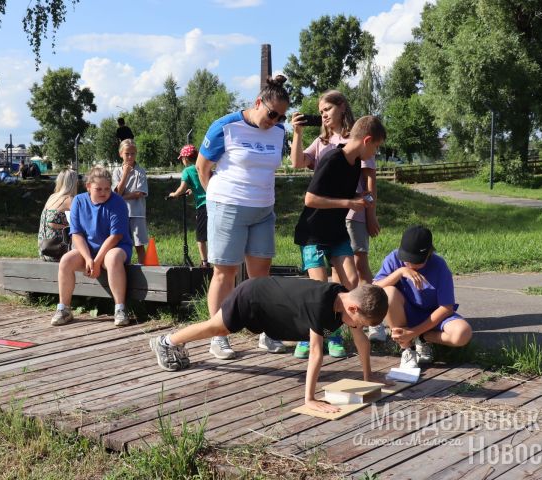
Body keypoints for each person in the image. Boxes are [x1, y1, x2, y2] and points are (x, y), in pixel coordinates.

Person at [149, 277, 390, 413]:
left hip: (269, 306)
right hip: (252, 296)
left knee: (220, 328)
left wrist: (368, 378)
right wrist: (310, 399)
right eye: (361, 322)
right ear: (353, 309)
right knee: (218, 328)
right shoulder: (322, 305)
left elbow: (361, 341)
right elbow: (316, 353)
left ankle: (171, 342)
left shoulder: (346, 302)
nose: (359, 327)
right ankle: (166, 341)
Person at [196, 75, 290, 360]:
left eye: (280, 117)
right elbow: (203, 168)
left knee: (261, 276)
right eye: (271, 113)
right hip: (228, 206)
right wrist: (216, 200)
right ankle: (219, 335)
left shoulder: (279, 132)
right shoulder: (225, 126)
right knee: (225, 273)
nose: (274, 120)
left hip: (263, 210)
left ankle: (265, 331)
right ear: (258, 102)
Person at [291, 90, 384, 341]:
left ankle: (347, 328)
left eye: (327, 110)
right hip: (313, 232)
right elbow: (309, 198)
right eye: (375, 147)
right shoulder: (331, 156)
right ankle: (311, 337)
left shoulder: (356, 160)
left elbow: (368, 184)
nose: (375, 154)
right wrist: (350, 201)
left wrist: (367, 205)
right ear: (366, 141)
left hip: (337, 230)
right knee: (320, 288)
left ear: (342, 107)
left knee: (351, 279)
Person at [373, 225, 473, 368]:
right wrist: (400, 272)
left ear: (429, 254)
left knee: (463, 333)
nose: (411, 265)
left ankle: (423, 338)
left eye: (417, 261)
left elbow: (446, 308)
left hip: (433, 315)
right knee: (388, 292)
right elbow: (374, 290)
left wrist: (415, 332)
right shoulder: (394, 258)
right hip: (404, 313)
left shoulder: (439, 266)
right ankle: (407, 348)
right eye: (407, 260)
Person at [50, 165, 133, 327]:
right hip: (88, 250)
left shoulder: (118, 202)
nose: (104, 192)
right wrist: (88, 258)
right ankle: (64, 309)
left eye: (107, 189)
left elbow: (115, 236)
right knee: (66, 260)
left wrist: (96, 261)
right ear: (88, 187)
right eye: (98, 189)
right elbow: (77, 234)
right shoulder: (79, 201)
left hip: (115, 248)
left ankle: (120, 308)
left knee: (113, 258)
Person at [168, 144, 208, 267]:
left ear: (185, 158)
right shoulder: (202, 166)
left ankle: (204, 263)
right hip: (213, 202)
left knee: (200, 237)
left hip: (203, 205)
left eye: (182, 159)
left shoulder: (187, 171)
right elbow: (201, 183)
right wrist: (193, 190)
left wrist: (174, 194)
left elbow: (182, 188)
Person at [112, 139, 149, 264]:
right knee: (122, 244)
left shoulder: (141, 171)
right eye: (127, 154)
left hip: (137, 213)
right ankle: (123, 267)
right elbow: (117, 192)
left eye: (133, 154)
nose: (130, 157)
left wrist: (122, 198)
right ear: (120, 154)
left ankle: (142, 268)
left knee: (139, 244)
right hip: (121, 214)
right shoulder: (117, 172)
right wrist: (125, 175)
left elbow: (139, 193)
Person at [38, 169, 79, 262]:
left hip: (44, 249)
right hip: (57, 251)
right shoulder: (70, 200)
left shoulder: (52, 197)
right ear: (74, 183)